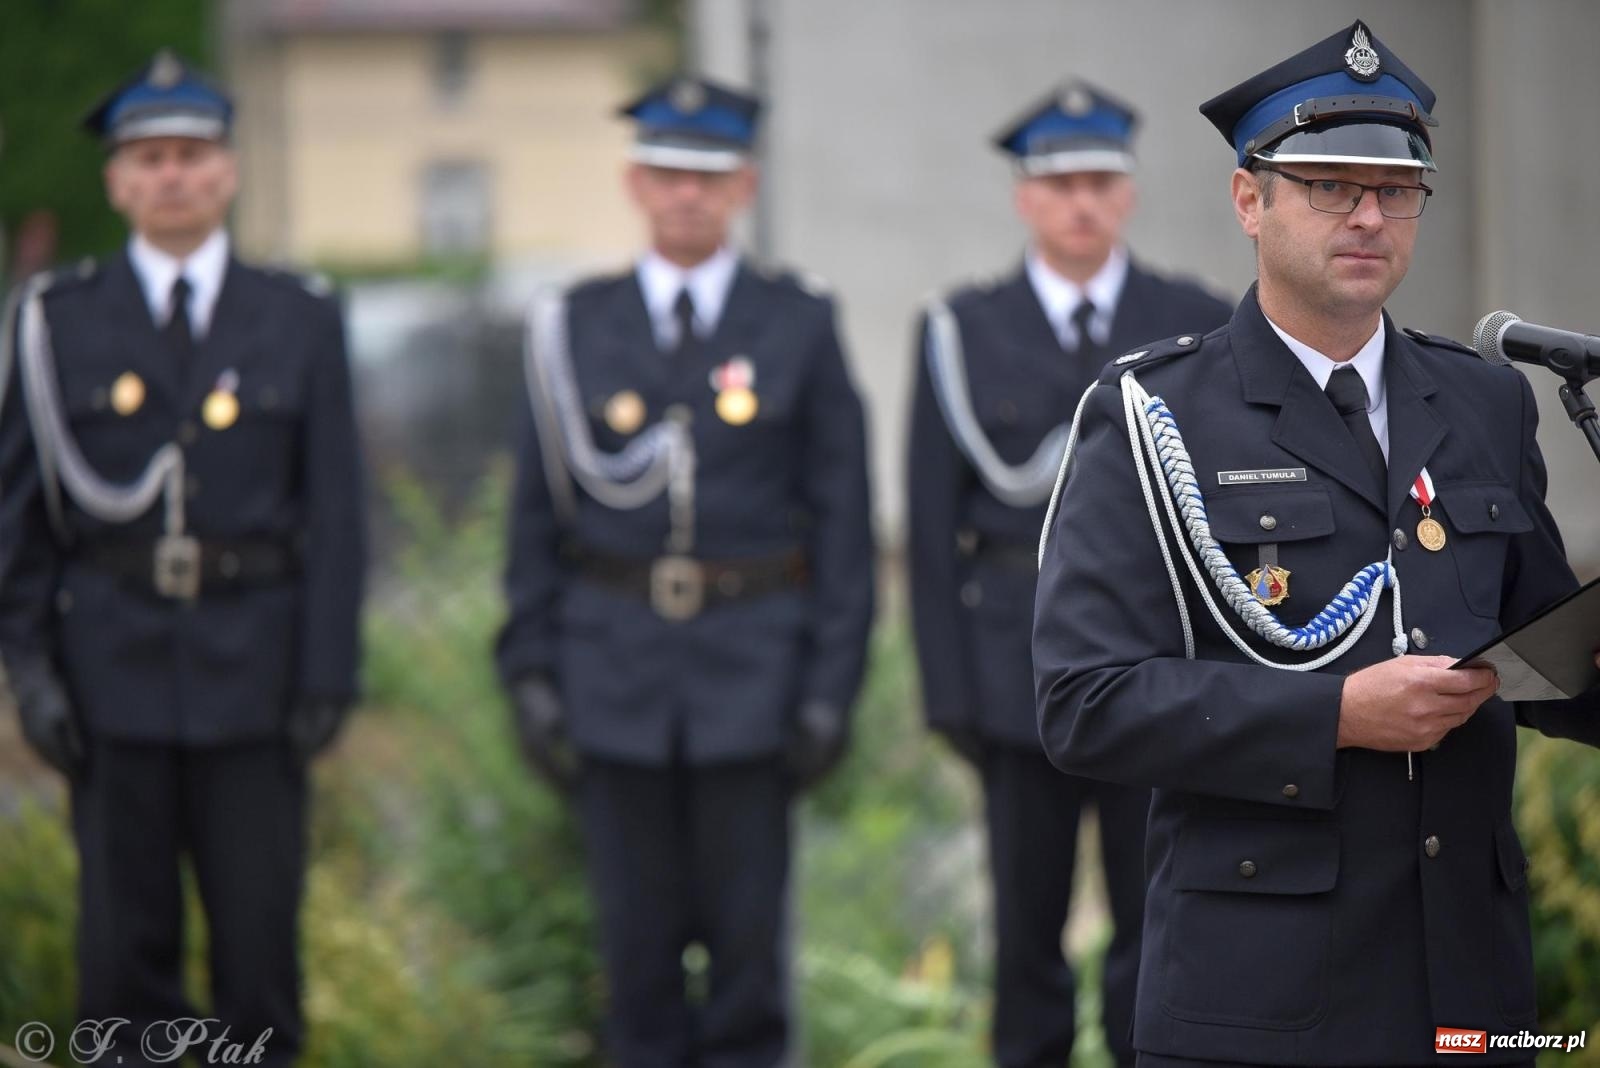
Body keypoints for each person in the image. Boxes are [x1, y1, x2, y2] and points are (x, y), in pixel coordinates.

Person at [1033, 21, 1600, 1067]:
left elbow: (1543, 656)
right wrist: (1333, 716)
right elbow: (1085, 702)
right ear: (1249, 201)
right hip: (1261, 992)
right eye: (1330, 187)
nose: (1369, 216)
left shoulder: (1483, 401)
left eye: (1398, 189)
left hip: (1467, 988)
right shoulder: (1156, 413)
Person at [496, 76, 874, 1067]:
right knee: (636, 971)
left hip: (754, 682)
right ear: (636, 183)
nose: (687, 194)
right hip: (611, 676)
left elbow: (841, 525)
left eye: (709, 175)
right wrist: (529, 672)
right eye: (667, 173)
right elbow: (535, 517)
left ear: (744, 185)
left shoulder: (796, 322)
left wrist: (829, 689)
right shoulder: (575, 325)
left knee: (750, 973)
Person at [0, 51, 364, 1067]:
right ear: (117, 181)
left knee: (260, 960)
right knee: (124, 967)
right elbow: (20, 520)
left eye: (192, 156)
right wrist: (31, 674)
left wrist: (328, 675)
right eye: (150, 159)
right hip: (110, 682)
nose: (172, 177)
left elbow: (337, 513)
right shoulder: (55, 323)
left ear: (228, 172)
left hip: (258, 681)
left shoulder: (298, 316)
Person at [907, 81, 1228, 1068]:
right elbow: (930, 531)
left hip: (1155, 660)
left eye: (1099, 182)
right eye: (1059, 185)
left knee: (1157, 923)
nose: (1081, 203)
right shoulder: (964, 329)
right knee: (1026, 935)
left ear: (1128, 193)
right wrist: (950, 694)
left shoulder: (1193, 320)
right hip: (1015, 668)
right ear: (1024, 198)